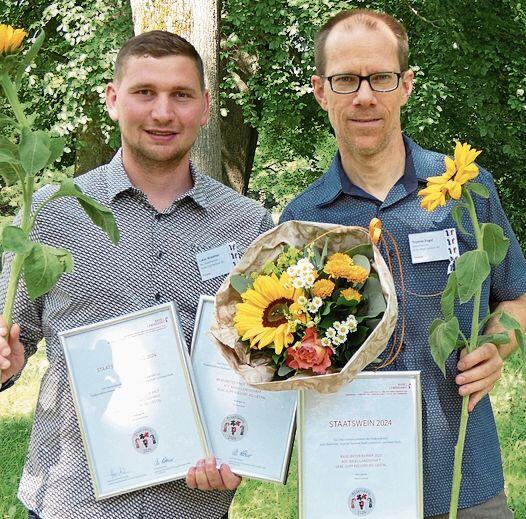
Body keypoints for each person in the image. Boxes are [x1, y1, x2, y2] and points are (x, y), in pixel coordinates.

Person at [0, 30, 273, 519]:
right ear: (112, 99)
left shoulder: (247, 224)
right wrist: (5, 362)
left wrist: (247, 446)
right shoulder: (53, 213)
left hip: (192, 503)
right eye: (144, 92)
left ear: (206, 107)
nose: (163, 113)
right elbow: (11, 347)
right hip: (71, 500)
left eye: (181, 95)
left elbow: (264, 364)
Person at [280, 9, 526, 519]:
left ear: (406, 85)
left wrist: (498, 346)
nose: (365, 96)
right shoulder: (303, 219)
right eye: (345, 80)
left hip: (465, 480)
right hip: (350, 488)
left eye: (381, 78)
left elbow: (517, 295)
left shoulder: (465, 187)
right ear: (321, 91)